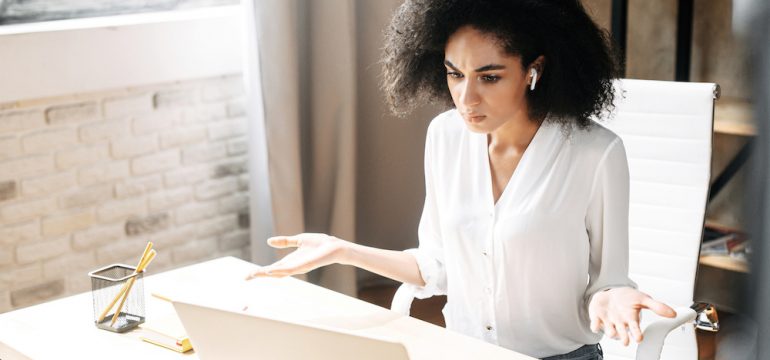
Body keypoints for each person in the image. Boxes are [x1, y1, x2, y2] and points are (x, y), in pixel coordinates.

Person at [246, 0, 677, 359]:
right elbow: (434, 265)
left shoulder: (595, 153)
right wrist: (341, 250)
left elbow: (606, 283)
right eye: (455, 74)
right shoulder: (445, 136)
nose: (466, 98)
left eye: (489, 77)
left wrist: (613, 300)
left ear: (535, 70)